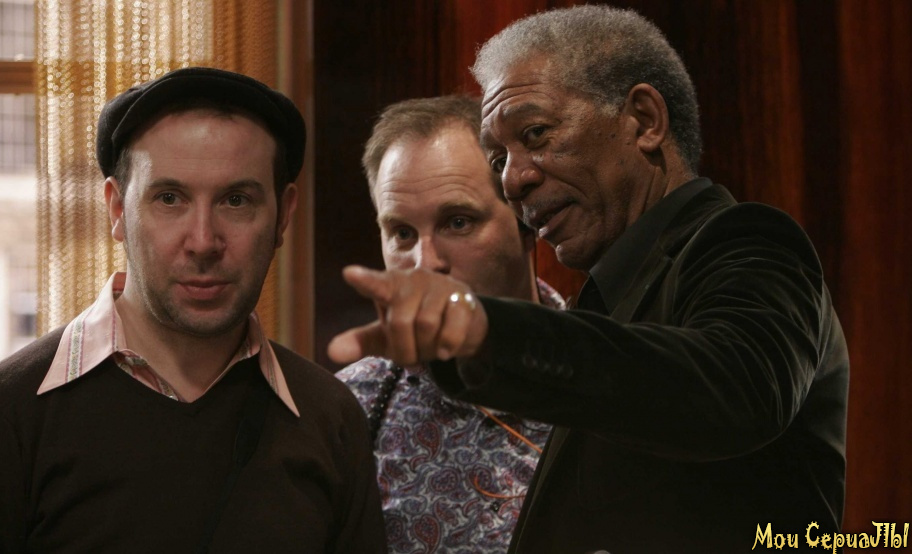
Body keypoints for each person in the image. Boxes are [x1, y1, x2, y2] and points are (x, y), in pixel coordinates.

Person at [328, 6, 849, 553]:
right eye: (499, 158)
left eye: (535, 134)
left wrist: (490, 332)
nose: (513, 180)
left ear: (644, 120)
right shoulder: (603, 301)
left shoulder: (748, 240)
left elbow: (736, 388)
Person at [0, 67, 387, 553]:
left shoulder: (330, 418)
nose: (203, 241)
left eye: (236, 200)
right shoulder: (3, 415)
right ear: (117, 210)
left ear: (283, 216)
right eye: (169, 198)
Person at [335, 96, 562, 554]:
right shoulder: (349, 409)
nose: (426, 263)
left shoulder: (605, 369)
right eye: (402, 233)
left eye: (458, 222)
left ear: (527, 223)